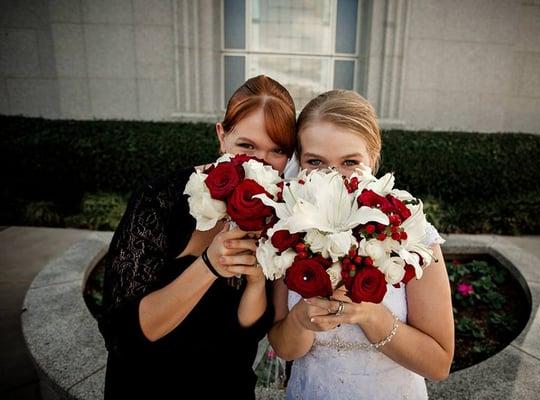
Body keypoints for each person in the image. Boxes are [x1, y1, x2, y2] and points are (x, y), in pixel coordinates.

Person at [98, 75, 297, 399]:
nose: (259, 161)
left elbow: (251, 332)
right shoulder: (161, 198)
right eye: (246, 145)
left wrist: (257, 282)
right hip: (145, 387)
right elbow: (123, 335)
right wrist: (208, 266)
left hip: (226, 386)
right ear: (222, 136)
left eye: (277, 150)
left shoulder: (278, 214)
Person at [268, 90, 454, 400]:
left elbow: (438, 365)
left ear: (373, 158)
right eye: (315, 161)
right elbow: (285, 349)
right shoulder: (289, 233)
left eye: (350, 162)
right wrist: (302, 319)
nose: (333, 177)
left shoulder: (413, 234)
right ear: (298, 163)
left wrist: (371, 316)